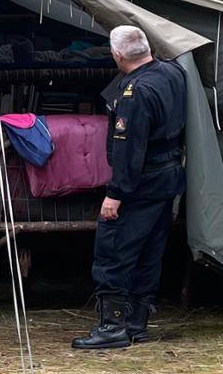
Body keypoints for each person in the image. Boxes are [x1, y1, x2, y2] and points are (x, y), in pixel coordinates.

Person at [74, 25, 185, 350]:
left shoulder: (134, 95)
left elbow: (129, 150)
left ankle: (112, 327)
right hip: (167, 178)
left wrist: (115, 194)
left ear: (117, 55)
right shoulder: (172, 73)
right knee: (149, 251)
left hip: (140, 183)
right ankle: (137, 324)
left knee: (113, 251)